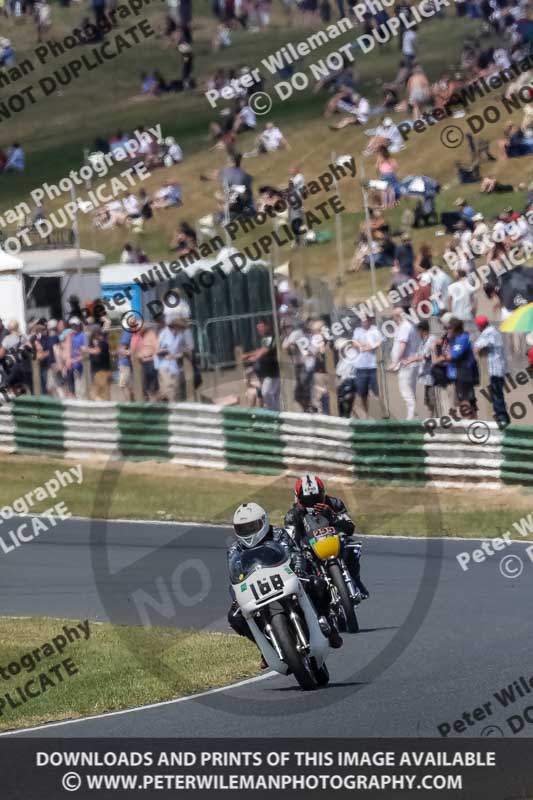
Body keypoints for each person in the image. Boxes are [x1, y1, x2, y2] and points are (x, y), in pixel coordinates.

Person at [227, 502, 343, 666]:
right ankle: (264, 646)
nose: (248, 532)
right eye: (243, 528)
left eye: (252, 526)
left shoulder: (278, 534)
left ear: (263, 522)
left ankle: (328, 625)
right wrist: (235, 597)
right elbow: (233, 576)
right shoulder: (234, 550)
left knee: (318, 584)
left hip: (286, 579)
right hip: (257, 589)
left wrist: (299, 571)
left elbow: (296, 553)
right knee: (234, 617)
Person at [284, 475, 369, 599]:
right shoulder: (292, 515)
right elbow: (292, 541)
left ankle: (356, 581)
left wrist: (332, 516)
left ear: (323, 494)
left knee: (353, 548)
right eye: (308, 500)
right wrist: (301, 551)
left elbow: (350, 528)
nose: (313, 503)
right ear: (298, 498)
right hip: (310, 548)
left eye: (316, 499)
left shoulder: (335, 503)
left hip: (334, 541)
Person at [473, 314, 510, 426]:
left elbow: (479, 345)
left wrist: (475, 352)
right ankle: (502, 417)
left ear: (480, 326)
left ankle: (502, 418)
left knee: (497, 395)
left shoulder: (489, 332)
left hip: (496, 369)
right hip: (496, 369)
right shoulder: (491, 331)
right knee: (496, 395)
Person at [439, 317, 479, 419]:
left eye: (449, 328)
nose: (447, 331)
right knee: (468, 400)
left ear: (454, 329)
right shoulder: (455, 339)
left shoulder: (462, 339)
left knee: (464, 400)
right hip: (461, 372)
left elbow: (453, 356)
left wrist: (441, 358)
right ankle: (473, 422)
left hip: (464, 372)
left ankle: (469, 422)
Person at [389, 307, 420, 420]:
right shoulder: (404, 326)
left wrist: (395, 362)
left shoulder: (405, 327)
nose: (393, 319)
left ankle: (411, 417)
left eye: (393, 317)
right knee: (410, 391)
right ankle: (413, 415)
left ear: (398, 316)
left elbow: (402, 345)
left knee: (406, 391)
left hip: (406, 364)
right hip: (408, 363)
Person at [403, 320, 438, 417]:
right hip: (425, 376)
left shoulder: (431, 339)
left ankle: (431, 423)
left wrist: (410, 360)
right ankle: (429, 421)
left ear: (423, 331)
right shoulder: (422, 342)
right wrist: (409, 359)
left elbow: (424, 355)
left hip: (432, 375)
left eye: (418, 331)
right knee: (427, 400)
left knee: (431, 400)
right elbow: (418, 354)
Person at [243, 320, 280, 410]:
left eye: (262, 327)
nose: (260, 329)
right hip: (267, 372)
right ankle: (275, 413)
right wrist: (249, 355)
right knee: (271, 394)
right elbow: (260, 350)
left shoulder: (270, 337)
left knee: (266, 393)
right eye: (258, 328)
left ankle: (274, 413)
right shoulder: (264, 339)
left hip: (272, 372)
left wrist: (254, 357)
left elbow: (264, 351)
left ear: (267, 326)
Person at [351, 314, 382, 417]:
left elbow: (377, 343)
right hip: (360, 367)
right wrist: (364, 346)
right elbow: (354, 344)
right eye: (362, 320)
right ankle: (366, 414)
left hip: (373, 367)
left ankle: (379, 413)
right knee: (362, 393)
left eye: (365, 320)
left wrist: (364, 346)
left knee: (376, 393)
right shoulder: (357, 331)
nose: (364, 322)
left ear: (369, 320)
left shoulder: (375, 330)